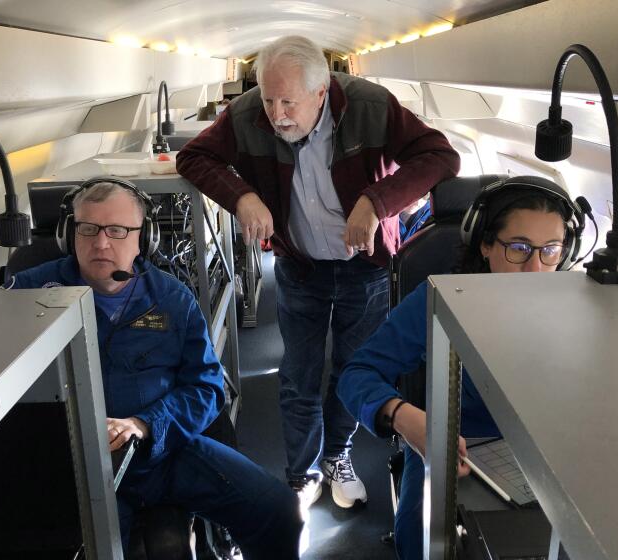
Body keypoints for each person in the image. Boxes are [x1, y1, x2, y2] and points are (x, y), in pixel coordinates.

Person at [176, 35, 460, 511]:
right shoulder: (247, 114)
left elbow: (440, 156)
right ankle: (300, 473)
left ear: (322, 91)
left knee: (353, 371)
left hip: (364, 266)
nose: (277, 114)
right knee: (299, 375)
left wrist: (377, 200)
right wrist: (242, 195)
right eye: (269, 99)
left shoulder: (371, 106)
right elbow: (194, 156)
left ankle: (337, 457)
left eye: (289, 101)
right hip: (299, 265)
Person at [8, 178, 302, 559]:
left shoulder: (172, 298)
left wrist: (145, 424)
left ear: (143, 239)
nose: (101, 243)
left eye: (117, 230)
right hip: (80, 467)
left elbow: (208, 388)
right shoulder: (28, 296)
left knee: (278, 512)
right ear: (68, 234)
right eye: (88, 229)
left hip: (164, 452)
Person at [337, 177, 588, 559]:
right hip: (448, 445)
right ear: (485, 244)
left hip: (546, 453)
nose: (536, 268)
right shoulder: (441, 298)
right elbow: (357, 375)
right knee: (419, 542)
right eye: (519, 248)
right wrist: (404, 417)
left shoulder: (581, 306)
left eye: (551, 250)